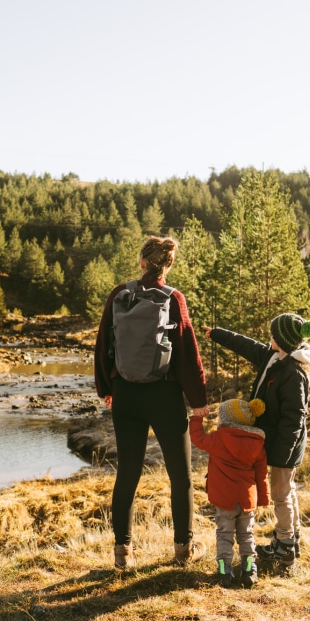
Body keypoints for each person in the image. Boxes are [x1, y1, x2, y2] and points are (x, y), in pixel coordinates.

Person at [95, 236, 210, 571]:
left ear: (142, 262)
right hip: (164, 395)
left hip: (126, 393)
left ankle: (123, 553)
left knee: (127, 473)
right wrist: (198, 400)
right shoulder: (173, 298)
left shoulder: (120, 294)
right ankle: (183, 549)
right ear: (167, 265)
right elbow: (187, 352)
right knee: (180, 475)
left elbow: (103, 343)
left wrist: (107, 387)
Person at [201, 313, 310, 567]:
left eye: (273, 334)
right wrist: (217, 333)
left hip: (285, 445)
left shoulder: (293, 373)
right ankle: (292, 539)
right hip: (278, 442)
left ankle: (284, 545)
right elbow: (246, 345)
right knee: (287, 491)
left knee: (281, 494)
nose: (269, 337)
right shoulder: (273, 357)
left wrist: (281, 454)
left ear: (283, 341)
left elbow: (295, 417)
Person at [189, 397, 270, 588]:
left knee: (224, 534)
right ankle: (249, 570)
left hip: (224, 499)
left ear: (228, 420)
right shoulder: (257, 443)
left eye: (220, 417)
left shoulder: (218, 438)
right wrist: (263, 498)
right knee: (246, 535)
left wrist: (196, 419)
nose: (218, 420)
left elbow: (197, 438)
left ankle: (225, 571)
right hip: (247, 499)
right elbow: (262, 474)